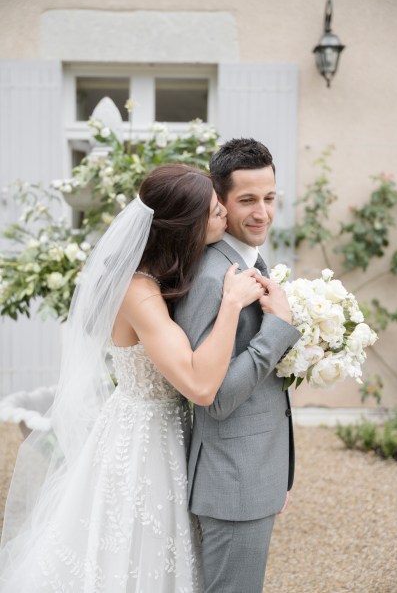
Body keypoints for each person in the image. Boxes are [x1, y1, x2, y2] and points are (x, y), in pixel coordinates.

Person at [0, 164, 266, 592]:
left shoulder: (168, 276)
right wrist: (232, 304)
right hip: (144, 439)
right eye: (215, 211)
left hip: (171, 430)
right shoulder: (138, 291)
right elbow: (199, 385)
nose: (225, 216)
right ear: (184, 225)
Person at [174, 139, 302, 593]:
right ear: (220, 203)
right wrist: (279, 330)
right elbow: (217, 397)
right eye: (247, 200)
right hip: (233, 484)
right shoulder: (213, 277)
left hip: (255, 472)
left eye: (269, 198)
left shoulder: (249, 259)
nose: (262, 213)